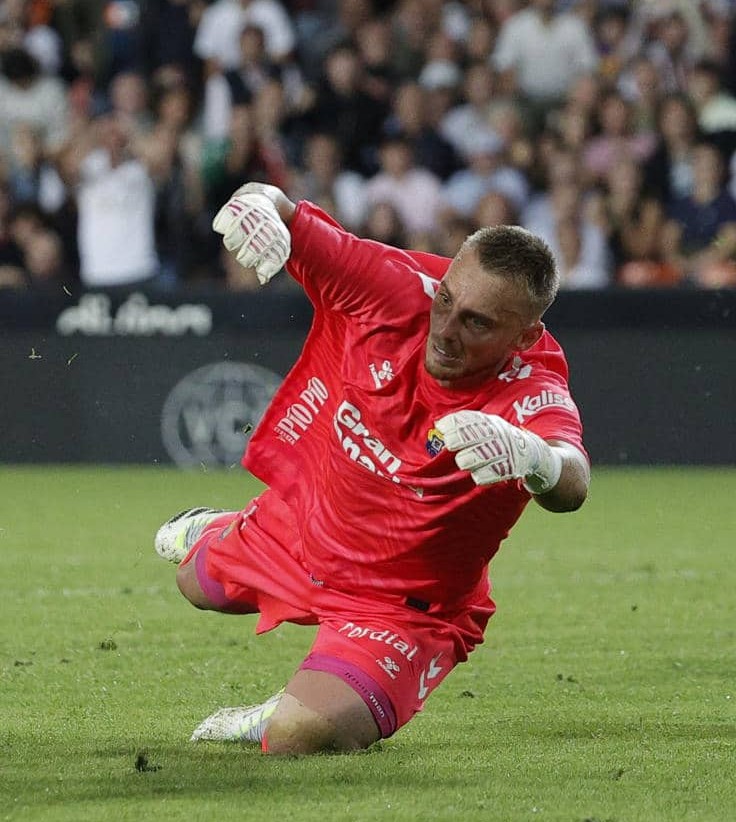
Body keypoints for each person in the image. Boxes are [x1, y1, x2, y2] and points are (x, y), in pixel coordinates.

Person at [152, 183, 590, 754]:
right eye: (447, 301)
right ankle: (220, 527)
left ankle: (276, 714)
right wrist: (253, 205)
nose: (447, 329)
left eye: (477, 323)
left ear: (525, 337)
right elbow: (277, 201)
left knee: (296, 738)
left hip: (400, 606)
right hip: (304, 531)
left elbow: (572, 479)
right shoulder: (393, 289)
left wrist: (534, 459)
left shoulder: (530, 391)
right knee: (195, 584)